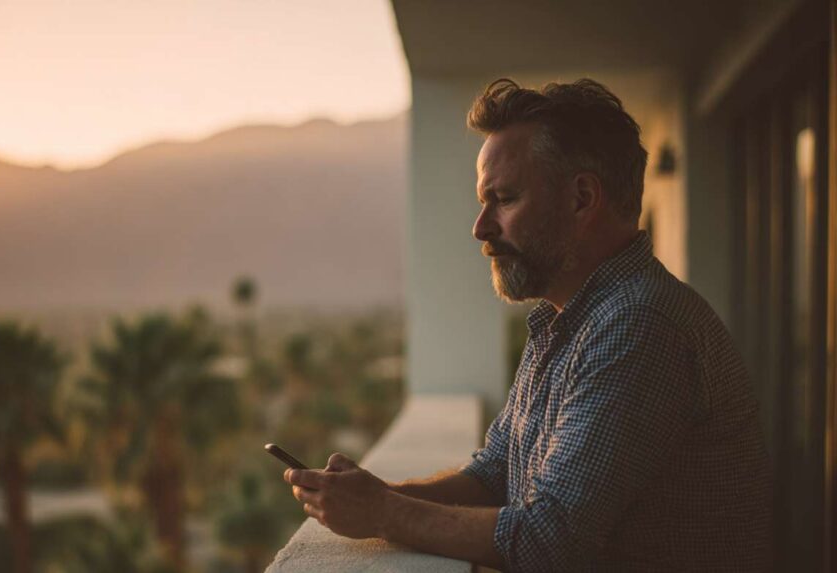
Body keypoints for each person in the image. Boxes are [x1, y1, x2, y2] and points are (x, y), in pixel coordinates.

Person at [283, 78, 772, 571]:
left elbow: (548, 540)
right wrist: (380, 494)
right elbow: (496, 472)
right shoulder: (567, 321)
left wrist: (383, 513)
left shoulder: (639, 326)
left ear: (582, 199)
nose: (481, 227)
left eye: (505, 198)